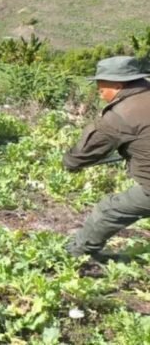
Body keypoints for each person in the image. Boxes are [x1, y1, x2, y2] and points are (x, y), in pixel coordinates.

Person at [64, 56, 150, 259]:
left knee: (109, 210)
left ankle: (75, 256)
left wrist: (70, 163)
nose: (98, 91)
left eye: (101, 86)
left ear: (118, 84)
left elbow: (85, 152)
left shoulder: (120, 114)